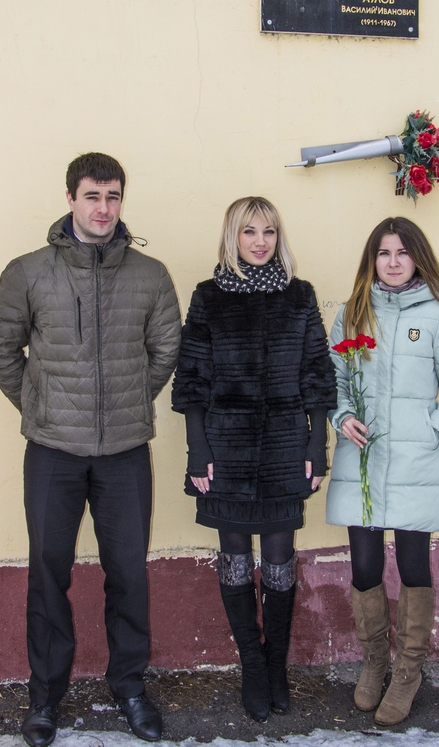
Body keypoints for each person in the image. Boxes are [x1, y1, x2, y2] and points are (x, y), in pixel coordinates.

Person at [0, 153, 181, 747]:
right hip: (52, 453)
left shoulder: (150, 275)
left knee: (129, 573)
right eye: (92, 195)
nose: (103, 208)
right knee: (48, 574)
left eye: (113, 196)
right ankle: (45, 697)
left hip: (125, 453)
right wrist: (40, 404)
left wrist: (126, 402)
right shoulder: (28, 272)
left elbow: (165, 350)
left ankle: (130, 687)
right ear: (70, 198)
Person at [171, 197, 336, 722]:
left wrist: (316, 445)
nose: (260, 241)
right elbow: (192, 379)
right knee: (236, 555)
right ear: (232, 237)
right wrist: (198, 450)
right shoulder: (208, 297)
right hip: (227, 448)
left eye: (268, 231)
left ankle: (276, 664)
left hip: (286, 445)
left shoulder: (299, 296)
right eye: (248, 231)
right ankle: (252, 666)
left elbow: (316, 372)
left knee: (280, 559)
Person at [326, 217, 439, 726]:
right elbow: (335, 380)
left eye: (402, 253)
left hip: (415, 462)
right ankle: (374, 662)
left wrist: (433, 430)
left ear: (417, 258)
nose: (392, 262)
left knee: (413, 566)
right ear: (372, 259)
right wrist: (343, 416)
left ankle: (409, 669)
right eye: (384, 253)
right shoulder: (352, 313)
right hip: (363, 461)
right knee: (365, 566)